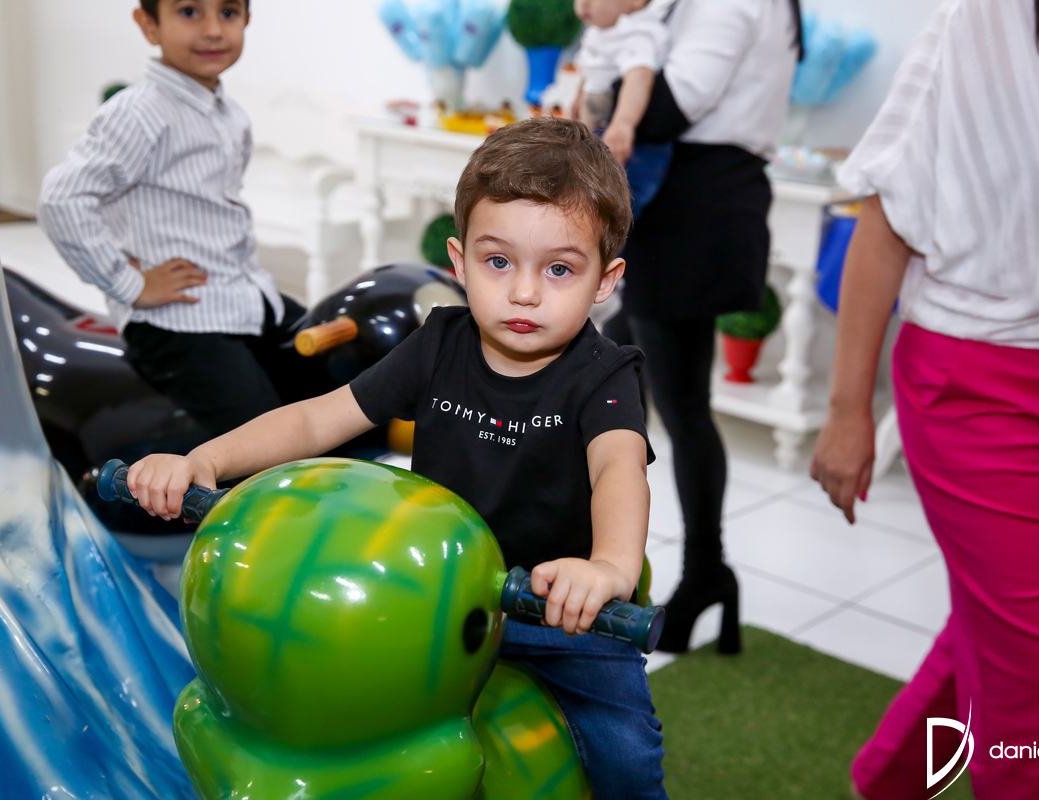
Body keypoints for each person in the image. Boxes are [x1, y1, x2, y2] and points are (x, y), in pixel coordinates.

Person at [126, 117, 668, 798]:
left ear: (605, 280)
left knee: (625, 753)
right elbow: (317, 418)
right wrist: (206, 461)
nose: (524, 292)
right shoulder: (440, 342)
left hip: (554, 612)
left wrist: (608, 569)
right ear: (459, 261)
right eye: (499, 262)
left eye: (559, 269)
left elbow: (618, 468)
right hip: (431, 607)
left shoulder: (605, 375)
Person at [809, 0, 1039, 797]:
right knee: (1037, 685)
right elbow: (886, 216)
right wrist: (848, 412)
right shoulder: (987, 20)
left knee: (1008, 632)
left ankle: (889, 779)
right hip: (982, 389)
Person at [38, 0, 328, 439]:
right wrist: (130, 284)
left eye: (228, 13)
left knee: (335, 375)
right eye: (190, 12)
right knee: (265, 437)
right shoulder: (138, 113)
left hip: (241, 297)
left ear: (247, 19)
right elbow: (62, 199)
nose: (213, 30)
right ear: (149, 24)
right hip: (178, 323)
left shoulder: (230, 115)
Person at [611, 0, 802, 655]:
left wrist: (620, 63)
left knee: (679, 405)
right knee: (624, 375)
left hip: (696, 207)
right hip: (694, 202)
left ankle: (703, 574)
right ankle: (695, 571)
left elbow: (668, 108)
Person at [572, 0, 672, 216]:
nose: (582, 5)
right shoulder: (598, 31)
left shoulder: (637, 33)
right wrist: (578, 100)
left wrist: (623, 124)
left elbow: (639, 78)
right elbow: (591, 70)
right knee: (587, 196)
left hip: (629, 144)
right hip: (599, 132)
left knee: (617, 204)